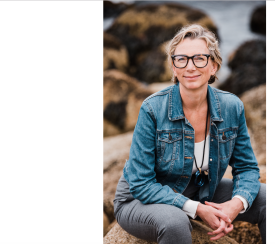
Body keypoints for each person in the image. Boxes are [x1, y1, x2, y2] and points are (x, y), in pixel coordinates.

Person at [113, 24, 266, 244]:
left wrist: (236, 204)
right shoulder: (152, 109)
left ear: (213, 66)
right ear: (174, 68)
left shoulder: (232, 107)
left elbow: (247, 168)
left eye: (199, 58)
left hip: (202, 189)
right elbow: (141, 183)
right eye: (182, 59)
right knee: (175, 222)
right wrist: (196, 210)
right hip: (140, 199)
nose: (190, 67)